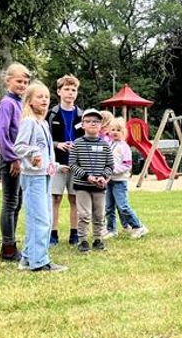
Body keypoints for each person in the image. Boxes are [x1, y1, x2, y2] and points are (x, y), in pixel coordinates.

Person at [13, 82, 66, 272]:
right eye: (39, 97)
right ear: (30, 101)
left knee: (43, 217)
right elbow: (19, 146)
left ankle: (28, 258)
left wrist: (56, 165)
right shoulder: (28, 122)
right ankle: (39, 261)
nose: (44, 100)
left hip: (44, 175)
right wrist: (33, 153)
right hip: (33, 177)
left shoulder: (42, 123)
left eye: (46, 97)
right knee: (40, 219)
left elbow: (46, 151)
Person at [0, 63, 31, 262]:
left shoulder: (20, 103)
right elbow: (2, 134)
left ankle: (10, 242)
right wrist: (13, 158)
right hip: (11, 159)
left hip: (20, 159)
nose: (23, 85)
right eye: (19, 81)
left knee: (17, 203)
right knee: (10, 202)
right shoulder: (7, 104)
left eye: (26, 82)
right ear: (8, 80)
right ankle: (8, 246)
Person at [70, 108, 113, 252]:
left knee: (99, 214)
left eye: (96, 121)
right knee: (84, 214)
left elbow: (110, 165)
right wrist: (86, 176)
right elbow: (73, 164)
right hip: (82, 185)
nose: (92, 124)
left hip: (99, 187)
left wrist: (103, 176)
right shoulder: (77, 143)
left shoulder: (105, 145)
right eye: (88, 121)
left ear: (101, 125)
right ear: (82, 125)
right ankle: (82, 240)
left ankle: (98, 239)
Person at [47, 75, 82, 246]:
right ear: (59, 91)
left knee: (75, 199)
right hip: (57, 164)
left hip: (76, 165)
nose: (70, 93)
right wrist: (57, 144)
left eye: (73, 90)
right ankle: (53, 233)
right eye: (66, 89)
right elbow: (44, 140)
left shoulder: (82, 115)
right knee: (55, 198)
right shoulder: (51, 114)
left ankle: (74, 233)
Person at [105, 117, 147, 238]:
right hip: (109, 181)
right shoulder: (109, 144)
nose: (114, 132)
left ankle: (138, 226)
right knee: (109, 207)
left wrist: (113, 169)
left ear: (123, 132)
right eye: (112, 129)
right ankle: (111, 229)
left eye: (118, 130)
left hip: (119, 181)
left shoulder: (124, 147)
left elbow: (127, 165)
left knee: (123, 206)